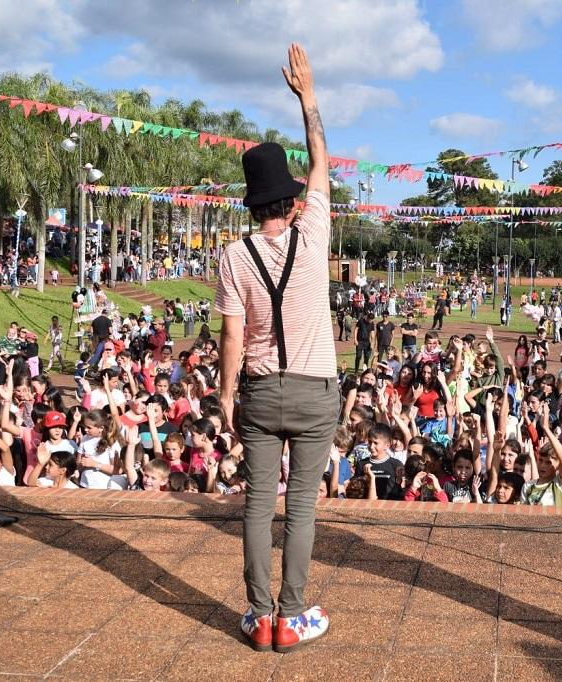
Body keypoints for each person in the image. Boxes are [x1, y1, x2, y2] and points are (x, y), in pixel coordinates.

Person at [216, 44, 336, 654]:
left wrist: (226, 396)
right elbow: (320, 159)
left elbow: (232, 335)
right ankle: (292, 617)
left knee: (259, 505)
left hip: (260, 390)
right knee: (303, 509)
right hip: (316, 391)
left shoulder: (233, 255)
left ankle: (259, 616)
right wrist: (307, 97)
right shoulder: (314, 231)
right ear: (291, 201)